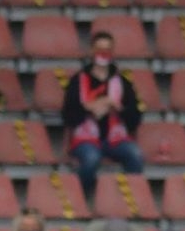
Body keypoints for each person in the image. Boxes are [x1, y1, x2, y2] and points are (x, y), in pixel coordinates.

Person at [61, 32, 144, 201]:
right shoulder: (77, 81)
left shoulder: (123, 83)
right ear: (92, 50)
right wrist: (88, 108)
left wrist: (118, 108)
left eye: (107, 50)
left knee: (135, 154)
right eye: (99, 49)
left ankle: (131, 201)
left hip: (116, 139)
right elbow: (67, 115)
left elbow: (135, 118)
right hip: (85, 140)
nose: (103, 54)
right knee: (92, 158)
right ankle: (82, 200)